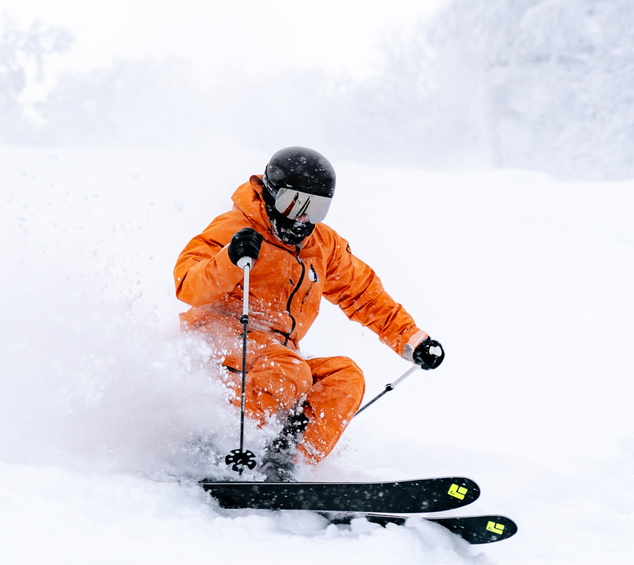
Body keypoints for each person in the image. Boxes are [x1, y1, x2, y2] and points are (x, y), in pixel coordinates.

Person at [174, 146, 444, 479]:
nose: (302, 218)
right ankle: (221, 446)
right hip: (216, 346)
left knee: (344, 376)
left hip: (273, 359)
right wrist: (231, 258)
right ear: (272, 195)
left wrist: (412, 340)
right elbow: (187, 283)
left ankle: (287, 464)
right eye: (293, 203)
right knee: (289, 369)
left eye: (316, 208)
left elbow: (362, 294)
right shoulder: (236, 227)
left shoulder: (322, 246)